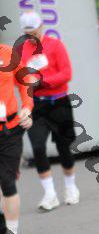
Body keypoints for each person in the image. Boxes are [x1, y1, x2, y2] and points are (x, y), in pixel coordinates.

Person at [20, 11, 79, 211]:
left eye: (34, 32)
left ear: (41, 27)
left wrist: (42, 81)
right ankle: (50, 193)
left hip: (58, 102)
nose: (32, 37)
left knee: (64, 146)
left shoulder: (55, 45)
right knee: (37, 147)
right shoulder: (21, 50)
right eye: (28, 33)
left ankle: (70, 187)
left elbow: (66, 73)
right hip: (36, 105)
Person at [0, 42, 34, 234]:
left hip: (10, 129)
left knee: (7, 181)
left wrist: (27, 108)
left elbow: (25, 81)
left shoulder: (7, 53)